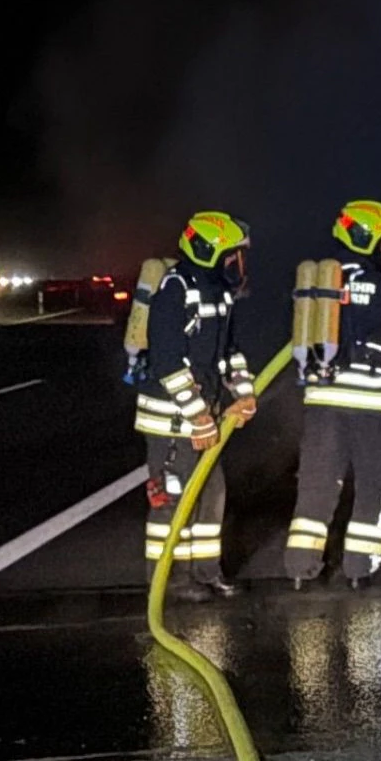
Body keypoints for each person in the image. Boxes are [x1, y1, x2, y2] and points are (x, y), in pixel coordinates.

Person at [285, 199, 381, 589]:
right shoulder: (379, 285)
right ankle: (361, 569)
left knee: (317, 485)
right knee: (378, 481)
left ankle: (301, 570)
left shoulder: (323, 282)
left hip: (321, 402)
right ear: (367, 239)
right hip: (367, 402)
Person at [134, 211, 255, 598]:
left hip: (203, 417)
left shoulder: (218, 292)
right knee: (172, 501)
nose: (236, 263)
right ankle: (171, 579)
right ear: (209, 251)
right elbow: (168, 361)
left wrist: (244, 390)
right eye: (231, 254)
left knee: (211, 495)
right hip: (171, 422)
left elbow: (229, 350)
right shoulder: (175, 289)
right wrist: (198, 414)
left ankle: (205, 573)